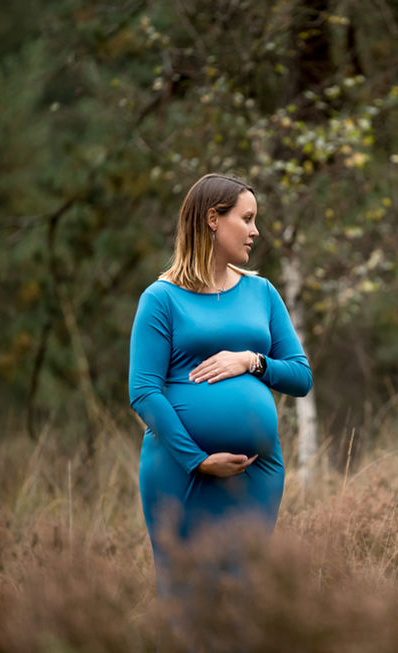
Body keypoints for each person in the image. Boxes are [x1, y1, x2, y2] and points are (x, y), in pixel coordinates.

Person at [128, 173, 312, 599]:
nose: (255, 231)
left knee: (242, 604)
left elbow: (300, 377)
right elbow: (144, 391)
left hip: (257, 474)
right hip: (182, 471)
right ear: (213, 218)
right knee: (187, 602)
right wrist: (198, 460)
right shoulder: (161, 298)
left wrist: (252, 360)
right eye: (246, 219)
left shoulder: (261, 292)